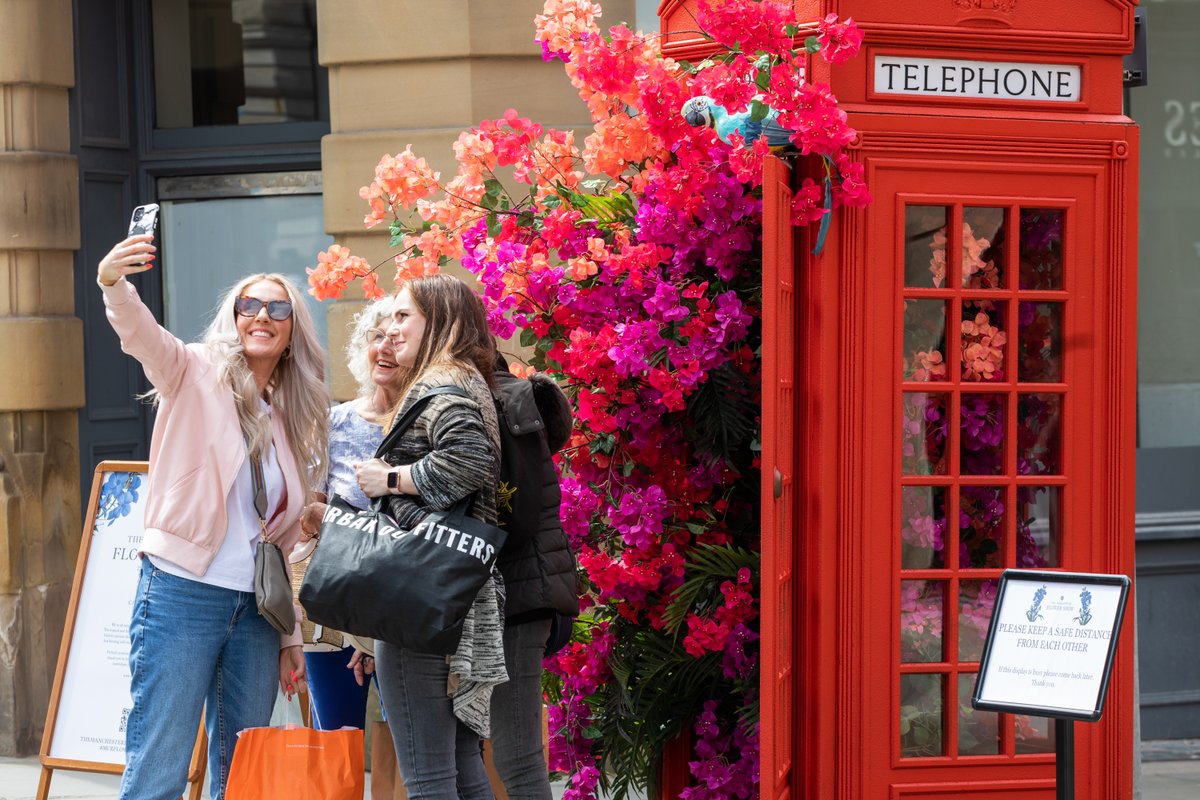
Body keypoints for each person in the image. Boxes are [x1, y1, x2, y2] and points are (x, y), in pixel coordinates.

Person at [96, 233, 329, 800]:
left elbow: (276, 541)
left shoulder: (292, 414)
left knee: (244, 774)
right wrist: (112, 283)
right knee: (160, 764)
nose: (262, 316)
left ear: (293, 329)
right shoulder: (192, 370)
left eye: (278, 308)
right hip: (181, 592)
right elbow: (142, 337)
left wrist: (289, 634)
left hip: (254, 610)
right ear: (233, 316)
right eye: (249, 305)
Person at [303, 273, 507, 800]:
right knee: (461, 767)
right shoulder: (466, 380)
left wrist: (387, 478)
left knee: (428, 774)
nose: (390, 329)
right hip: (447, 589)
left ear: (440, 321)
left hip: (419, 590)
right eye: (389, 317)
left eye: (403, 316)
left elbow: (471, 462)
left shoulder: (442, 384)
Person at [489, 354, 578, 800]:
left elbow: (516, 517)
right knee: (508, 751)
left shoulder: (501, 403)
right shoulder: (512, 398)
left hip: (517, 593)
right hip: (527, 589)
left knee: (516, 754)